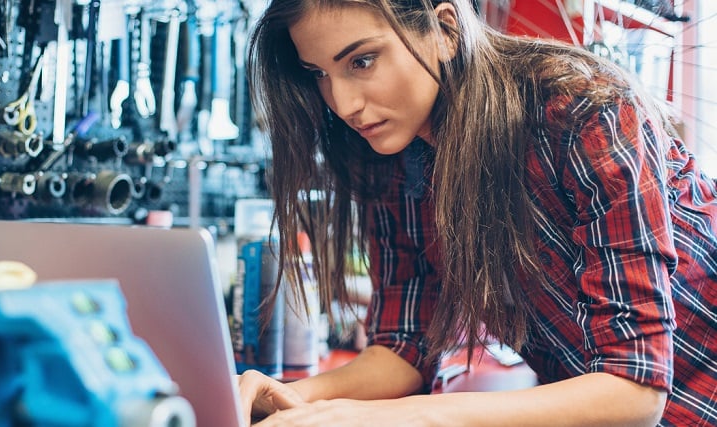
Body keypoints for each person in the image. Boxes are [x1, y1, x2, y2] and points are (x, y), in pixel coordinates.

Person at [239, 0, 716, 425]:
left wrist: (394, 417)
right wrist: (290, 398)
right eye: (319, 73)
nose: (343, 103)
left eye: (361, 61)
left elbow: (633, 391)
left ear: (445, 30)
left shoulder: (585, 113)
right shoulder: (392, 156)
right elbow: (406, 347)